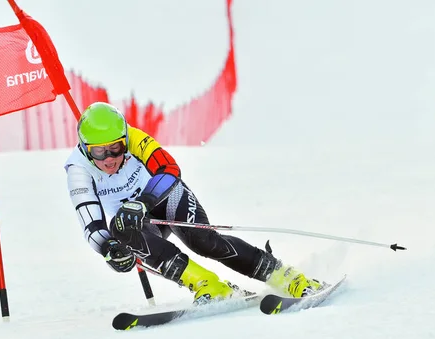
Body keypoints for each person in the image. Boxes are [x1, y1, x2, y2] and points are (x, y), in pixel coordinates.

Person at [64, 102, 326, 304]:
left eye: (116, 148)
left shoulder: (135, 138)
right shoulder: (78, 169)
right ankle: (209, 285)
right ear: (86, 149)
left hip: (164, 199)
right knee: (119, 228)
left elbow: (169, 169)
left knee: (204, 242)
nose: (109, 157)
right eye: (99, 151)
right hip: (135, 222)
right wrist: (109, 249)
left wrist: (143, 201)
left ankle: (288, 277)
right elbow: (92, 225)